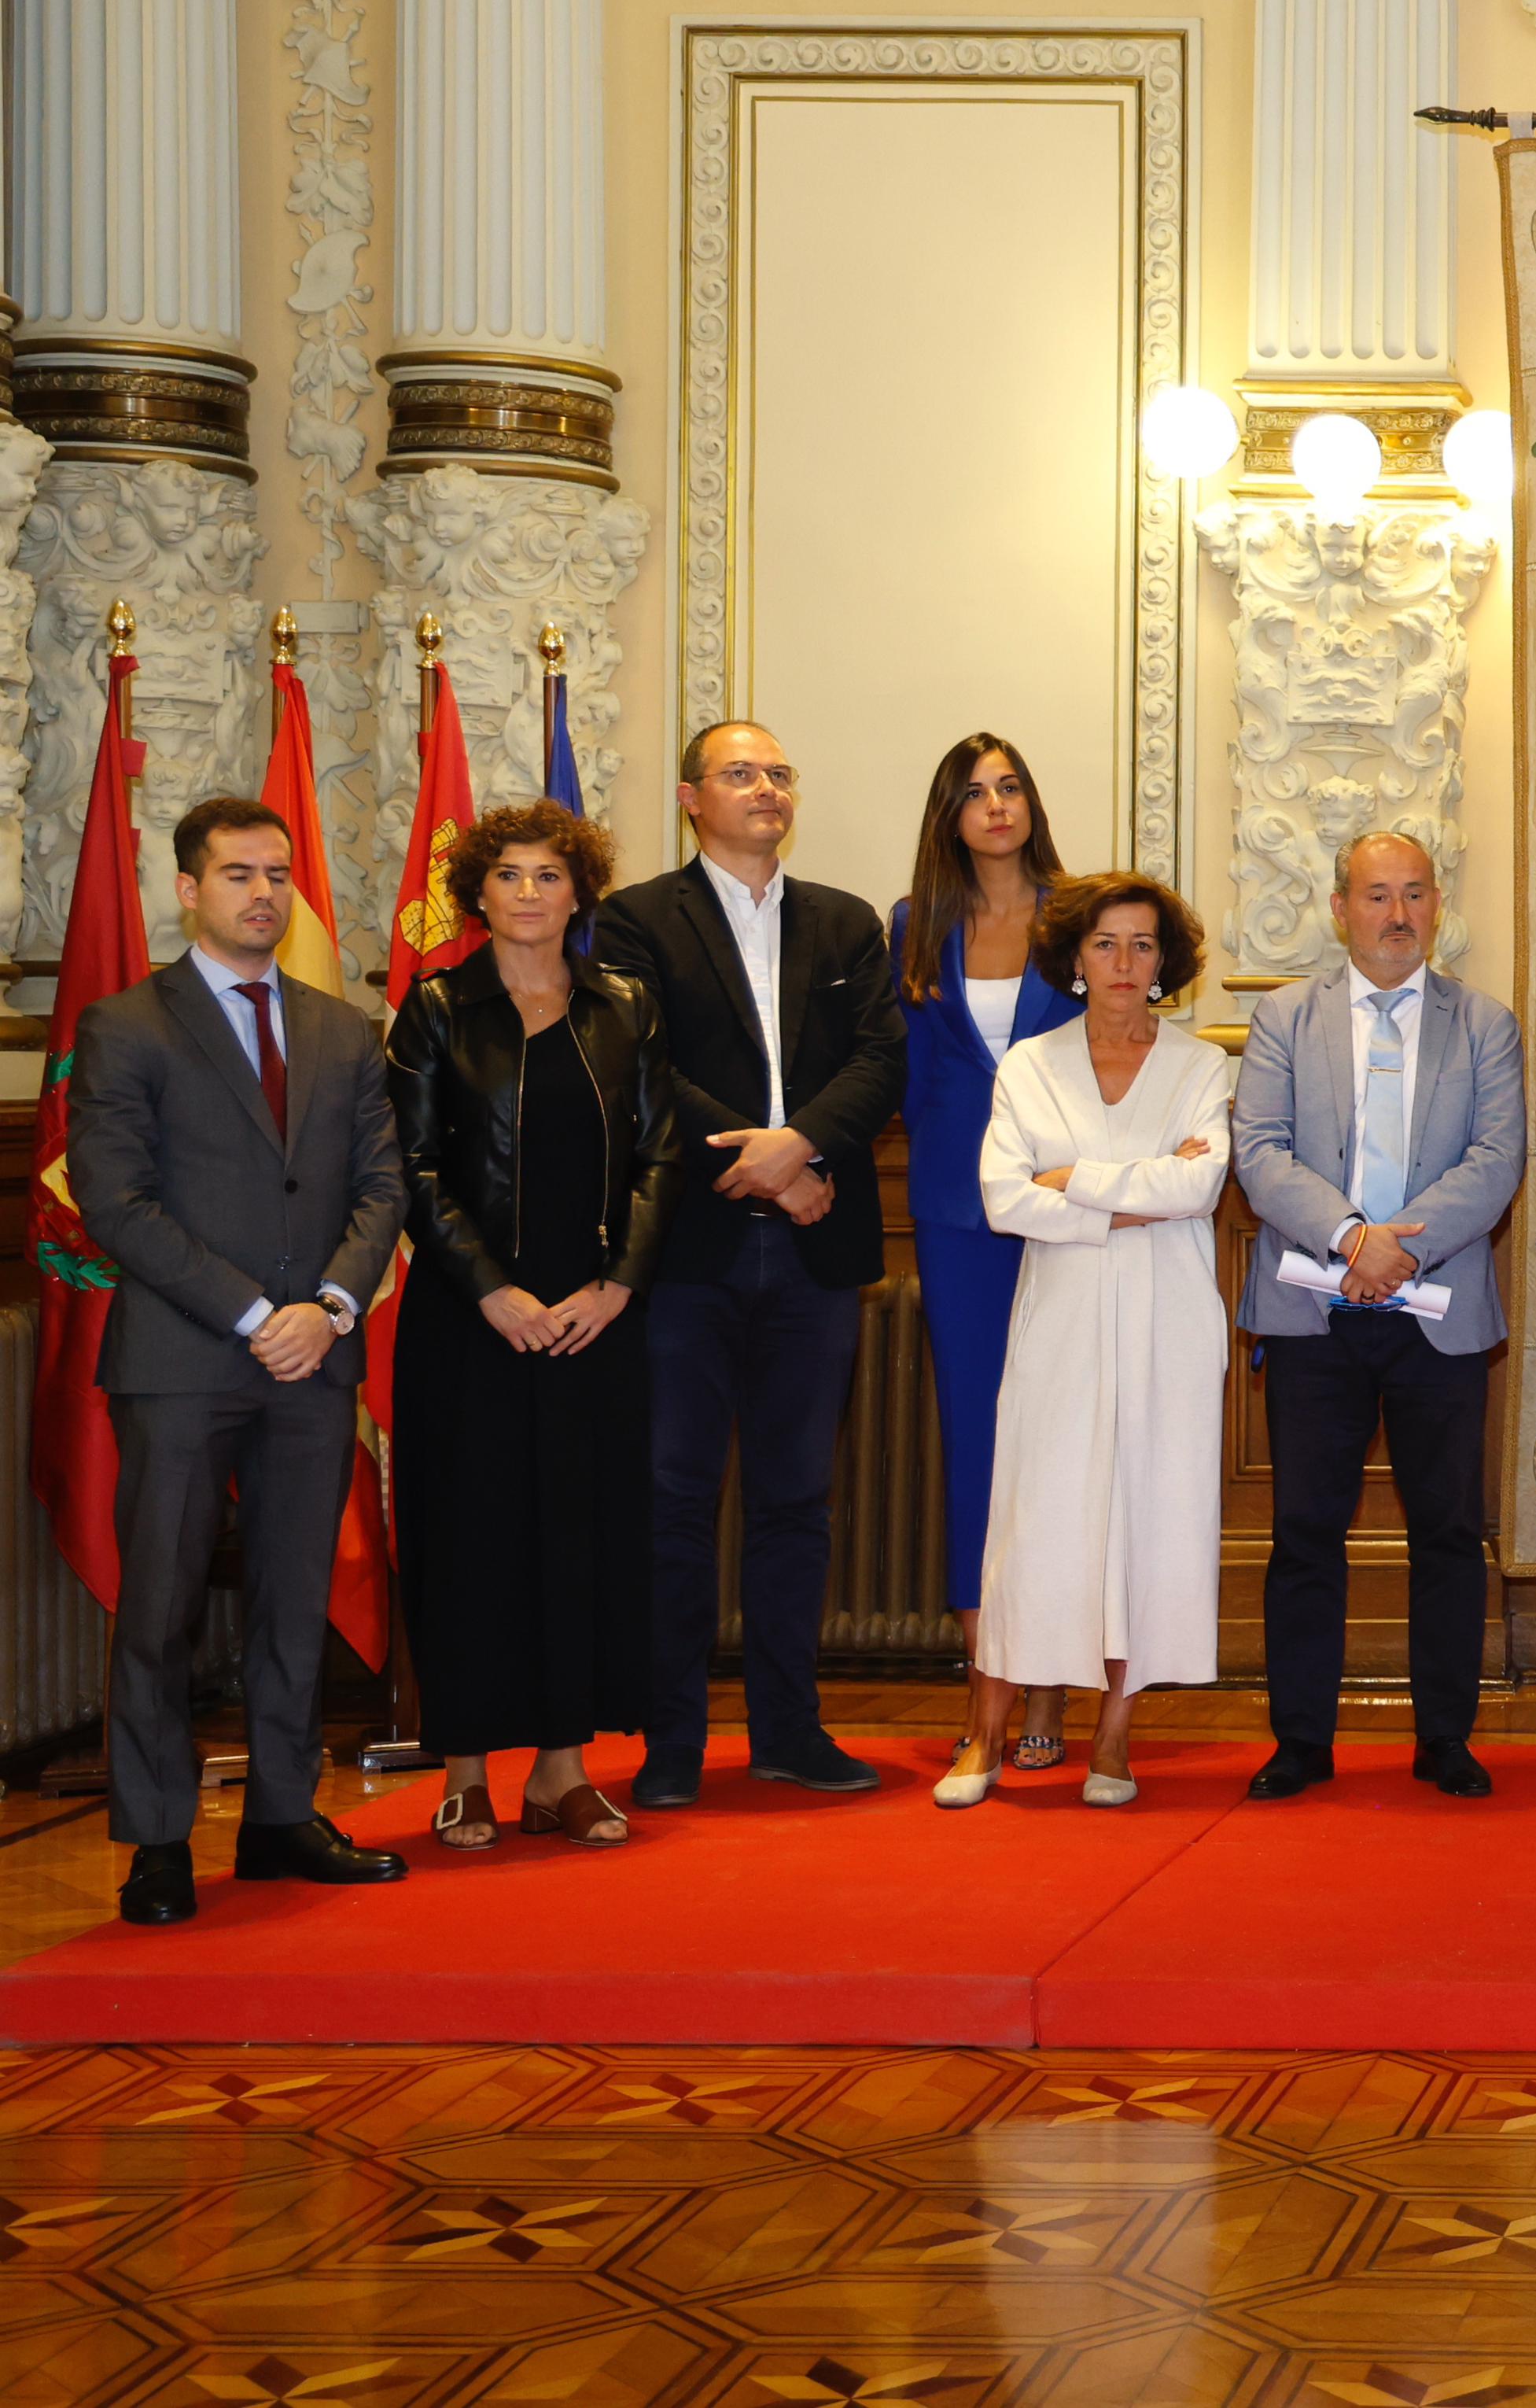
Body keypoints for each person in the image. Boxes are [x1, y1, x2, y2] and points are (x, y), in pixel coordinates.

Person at [70, 796, 409, 1924]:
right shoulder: (128, 1025)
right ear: (188, 889)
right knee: (159, 1607)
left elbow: (382, 1187)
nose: (262, 893)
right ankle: (158, 1839)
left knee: (293, 1598)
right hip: (181, 1361)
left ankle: (280, 1817)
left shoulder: (342, 1030)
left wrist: (329, 1306)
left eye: (276, 874)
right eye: (236, 874)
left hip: (313, 1361)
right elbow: (116, 1201)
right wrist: (258, 1311)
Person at [589, 721, 909, 1809]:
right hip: (689, 1249)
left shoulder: (846, 920)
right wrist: (767, 1168)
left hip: (818, 1248)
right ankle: (672, 1741)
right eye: (740, 773)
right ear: (691, 797)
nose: (765, 787)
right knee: (674, 1501)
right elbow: (640, 1063)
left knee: (796, 1502)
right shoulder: (634, 920)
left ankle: (788, 1730)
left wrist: (802, 1145)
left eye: (778, 773)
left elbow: (881, 1057)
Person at [386, 802, 681, 1856]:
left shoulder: (625, 1004)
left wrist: (617, 1287)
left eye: (548, 875)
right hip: (471, 1321)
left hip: (595, 1321)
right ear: (478, 893)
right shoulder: (436, 1009)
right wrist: (490, 1291)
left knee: (580, 1535)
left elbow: (660, 1158)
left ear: (578, 892)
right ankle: (464, 1772)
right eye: (507, 874)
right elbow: (412, 1168)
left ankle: (563, 1771)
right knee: (469, 1536)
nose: (527, 892)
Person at [1235, 833, 1527, 1801]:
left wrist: (1399, 1250)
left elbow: (1495, 1159)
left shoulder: (1484, 1025)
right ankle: (1300, 1742)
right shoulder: (1283, 1018)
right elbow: (1261, 1152)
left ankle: (1444, 1737)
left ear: (1436, 905)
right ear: (1339, 908)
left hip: (1436, 1311)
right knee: (1304, 1531)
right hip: (1312, 1308)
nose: (1396, 916)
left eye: (1413, 895)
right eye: (1375, 896)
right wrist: (1351, 1239)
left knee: (1446, 1531)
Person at [948, 874, 1232, 1810]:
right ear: (1075, 958)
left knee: (1150, 1518)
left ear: (1165, 963)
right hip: (1062, 1316)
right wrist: (1133, 1194)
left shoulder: (1200, 1066)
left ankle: (1114, 1735)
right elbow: (1006, 1200)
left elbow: (1197, 1189)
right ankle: (986, 1736)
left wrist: (1073, 1180)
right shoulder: (1030, 1065)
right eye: (1105, 943)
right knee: (1034, 1518)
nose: (1124, 962)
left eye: (1143, 945)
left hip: (1170, 1318)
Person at [890, 733, 1077, 1795]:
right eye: (973, 792)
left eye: (1010, 787)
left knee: (1058, 1445)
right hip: (958, 1216)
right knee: (978, 1449)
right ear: (948, 816)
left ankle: (1050, 1687)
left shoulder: (1077, 915)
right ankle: (985, 1698)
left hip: (1067, 1212)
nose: (996, 805)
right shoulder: (914, 925)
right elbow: (907, 1071)